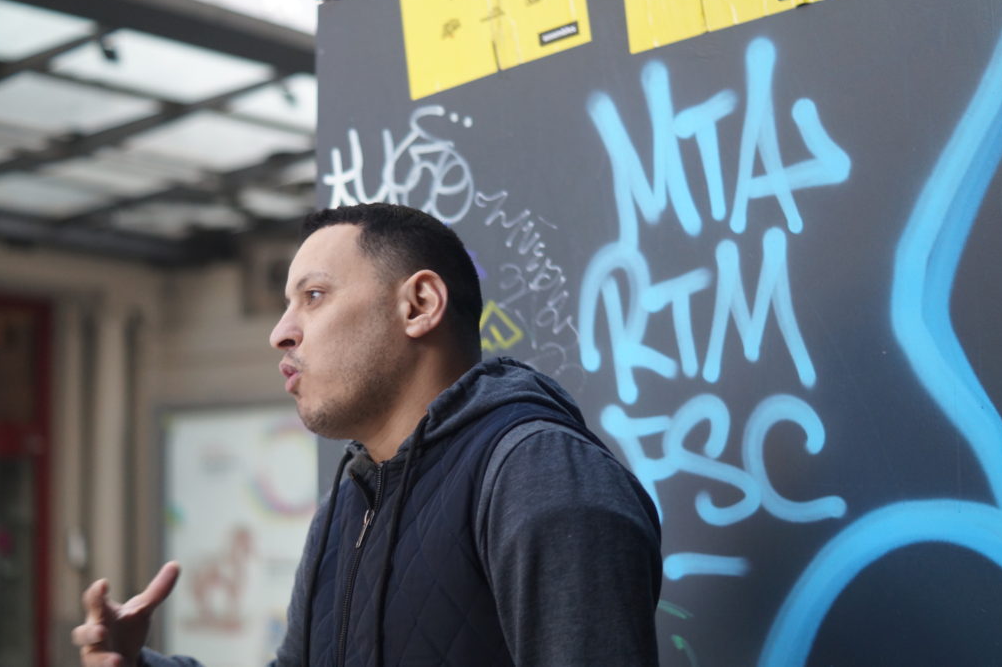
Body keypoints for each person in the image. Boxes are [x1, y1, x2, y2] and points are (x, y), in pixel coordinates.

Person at [72, 203, 662, 666]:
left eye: (314, 296)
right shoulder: (348, 504)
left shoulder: (539, 475)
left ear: (419, 305)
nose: (281, 332)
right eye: (287, 304)